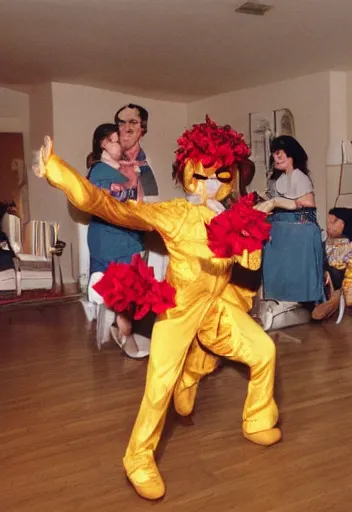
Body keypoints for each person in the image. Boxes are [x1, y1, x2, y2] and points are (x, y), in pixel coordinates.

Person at [32, 117, 280, 501]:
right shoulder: (176, 213)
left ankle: (257, 418)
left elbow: (248, 269)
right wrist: (59, 172)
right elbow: (112, 207)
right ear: (187, 175)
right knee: (159, 385)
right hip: (179, 312)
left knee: (264, 351)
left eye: (221, 174)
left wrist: (251, 241)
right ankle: (138, 458)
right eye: (204, 174)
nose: (213, 182)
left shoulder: (233, 217)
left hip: (216, 309)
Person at [83, 123, 149, 357]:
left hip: (124, 235)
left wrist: (134, 178)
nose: (121, 144)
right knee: (123, 289)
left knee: (129, 288)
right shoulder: (100, 170)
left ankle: (121, 328)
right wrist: (131, 184)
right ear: (103, 144)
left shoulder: (120, 168)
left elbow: (137, 202)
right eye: (115, 140)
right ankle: (125, 334)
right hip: (111, 238)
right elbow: (114, 198)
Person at [255, 135, 325, 329]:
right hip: (279, 229)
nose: (277, 159)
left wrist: (275, 202)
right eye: (275, 155)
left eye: (280, 155)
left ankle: (296, 303)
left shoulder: (299, 177)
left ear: (291, 156)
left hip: (298, 230)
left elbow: (306, 204)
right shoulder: (277, 180)